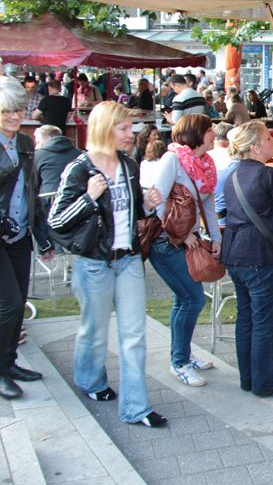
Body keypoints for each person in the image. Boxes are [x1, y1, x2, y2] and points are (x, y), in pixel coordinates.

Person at [48, 101, 167, 426]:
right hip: (94, 263)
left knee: (133, 335)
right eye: (124, 128)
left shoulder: (129, 165)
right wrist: (88, 198)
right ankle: (90, 381)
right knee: (95, 331)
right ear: (105, 130)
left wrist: (146, 204)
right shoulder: (80, 169)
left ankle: (135, 408)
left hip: (127, 260)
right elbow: (56, 220)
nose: (132, 134)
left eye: (131, 128)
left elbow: (129, 212)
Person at [221, 122, 273, 396]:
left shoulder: (232, 175)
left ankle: (249, 380)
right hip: (260, 256)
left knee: (246, 319)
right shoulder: (270, 175)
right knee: (264, 324)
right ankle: (265, 383)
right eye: (269, 138)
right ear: (255, 146)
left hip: (235, 254)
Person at [147, 114, 221, 388]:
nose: (214, 133)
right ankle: (179, 363)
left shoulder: (206, 164)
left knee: (184, 299)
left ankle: (183, 356)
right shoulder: (173, 159)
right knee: (192, 299)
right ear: (197, 134)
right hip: (165, 242)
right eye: (210, 130)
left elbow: (209, 205)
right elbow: (157, 201)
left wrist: (216, 238)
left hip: (187, 240)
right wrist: (184, 233)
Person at [0, 77, 54, 400]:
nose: (13, 116)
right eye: (6, 111)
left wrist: (42, 233)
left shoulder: (24, 143)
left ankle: (9, 362)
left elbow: (31, 191)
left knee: (19, 300)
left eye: (18, 110)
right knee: (9, 303)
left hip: (20, 231)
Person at [33, 125, 81, 205]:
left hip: (47, 201)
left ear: (48, 138)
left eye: (38, 142)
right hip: (75, 200)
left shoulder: (38, 155)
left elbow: (33, 183)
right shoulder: (79, 154)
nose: (36, 147)